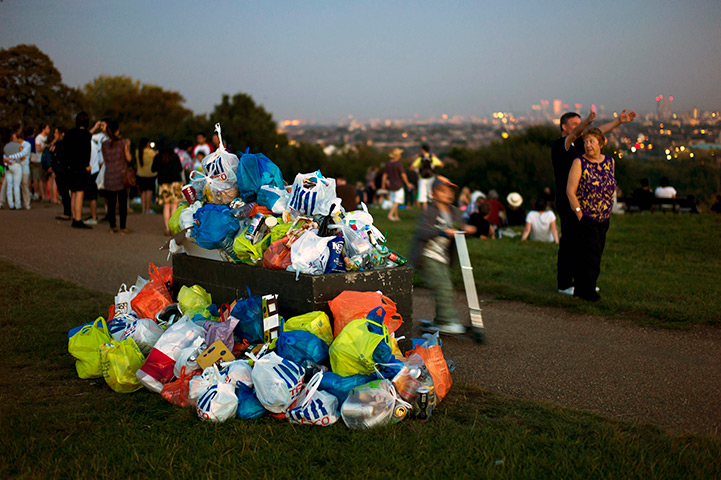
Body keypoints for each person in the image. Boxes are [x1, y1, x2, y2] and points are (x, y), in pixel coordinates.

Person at [552, 108, 636, 295]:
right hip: (568, 202)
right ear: (564, 127)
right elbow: (577, 133)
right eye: (575, 124)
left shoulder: (582, 146)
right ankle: (565, 284)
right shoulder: (561, 145)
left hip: (585, 204)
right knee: (569, 243)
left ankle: (584, 283)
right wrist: (588, 121)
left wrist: (618, 121)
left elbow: (598, 133)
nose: (580, 128)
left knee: (586, 246)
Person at [409, 175, 476, 335]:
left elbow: (459, 228)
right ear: (434, 194)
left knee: (446, 286)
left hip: (443, 258)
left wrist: (467, 229)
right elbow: (422, 232)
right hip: (426, 255)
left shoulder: (454, 212)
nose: (448, 194)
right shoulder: (430, 212)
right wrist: (442, 232)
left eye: (451, 191)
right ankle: (447, 321)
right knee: (442, 286)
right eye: (443, 190)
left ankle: (440, 320)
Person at [566, 128, 615, 302]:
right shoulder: (579, 163)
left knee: (596, 253)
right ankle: (588, 292)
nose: (588, 145)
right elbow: (570, 191)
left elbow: (610, 185)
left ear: (601, 144)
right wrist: (579, 214)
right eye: (586, 142)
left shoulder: (610, 162)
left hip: (604, 217)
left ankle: (580, 290)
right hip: (586, 217)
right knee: (590, 255)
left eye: (592, 141)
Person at [101, 120, 132, 234]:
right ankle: (123, 227)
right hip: (121, 175)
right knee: (122, 203)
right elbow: (128, 158)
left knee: (111, 203)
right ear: (117, 130)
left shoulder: (104, 144)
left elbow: (105, 159)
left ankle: (112, 226)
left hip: (109, 175)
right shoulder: (122, 143)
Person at [64, 112, 92, 228]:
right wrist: (87, 165)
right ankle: (78, 219)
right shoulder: (86, 135)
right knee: (80, 192)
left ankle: (74, 216)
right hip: (81, 167)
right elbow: (87, 151)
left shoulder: (70, 133)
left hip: (70, 166)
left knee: (73, 192)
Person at [152, 140, 183, 236]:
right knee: (174, 206)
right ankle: (173, 228)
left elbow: (153, 169)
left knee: (166, 206)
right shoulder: (174, 156)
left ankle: (166, 228)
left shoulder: (158, 157)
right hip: (175, 183)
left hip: (163, 184)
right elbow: (180, 169)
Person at [381, 148, 413, 221]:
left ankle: (396, 216)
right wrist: (407, 183)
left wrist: (383, 183)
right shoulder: (398, 163)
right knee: (397, 201)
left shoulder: (388, 163)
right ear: (397, 155)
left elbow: (385, 175)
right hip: (398, 184)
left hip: (391, 185)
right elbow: (403, 174)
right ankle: (390, 215)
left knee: (394, 202)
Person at [410, 143, 443, 210]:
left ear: (423, 150)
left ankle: (425, 211)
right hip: (431, 178)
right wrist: (435, 157)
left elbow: (411, 167)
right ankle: (432, 210)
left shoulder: (420, 158)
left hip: (422, 178)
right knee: (431, 194)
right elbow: (441, 164)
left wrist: (416, 159)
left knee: (423, 196)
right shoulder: (432, 158)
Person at [3, 128, 25, 210]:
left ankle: (11, 204)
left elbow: (4, 156)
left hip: (8, 166)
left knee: (9, 185)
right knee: (16, 185)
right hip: (16, 165)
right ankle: (17, 204)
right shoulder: (19, 146)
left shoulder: (6, 146)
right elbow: (22, 157)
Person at [136, 138, 158, 214]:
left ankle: (143, 209)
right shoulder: (151, 152)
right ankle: (148, 209)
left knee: (143, 192)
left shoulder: (138, 151)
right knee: (149, 191)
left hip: (140, 174)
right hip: (150, 174)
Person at [34, 123, 51, 201]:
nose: (49, 130)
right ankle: (43, 195)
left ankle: (46, 195)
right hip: (40, 160)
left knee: (45, 179)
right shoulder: (39, 138)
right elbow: (38, 149)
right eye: (47, 128)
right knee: (41, 178)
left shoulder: (47, 137)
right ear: (43, 129)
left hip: (46, 160)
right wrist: (45, 146)